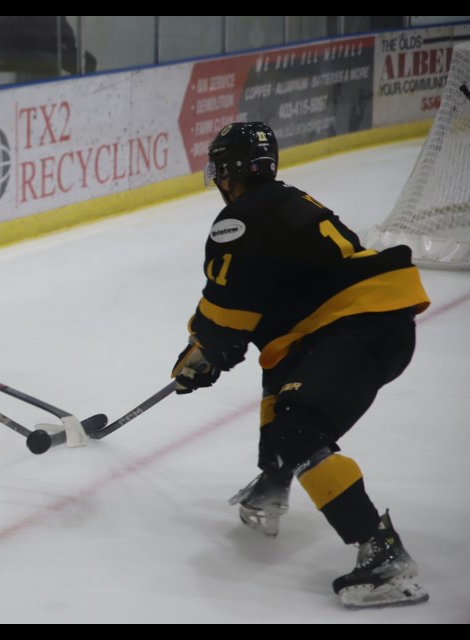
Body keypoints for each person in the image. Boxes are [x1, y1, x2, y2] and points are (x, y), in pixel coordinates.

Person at [170, 122, 431, 609]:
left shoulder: (240, 218)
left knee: (300, 428)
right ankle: (274, 479)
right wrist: (214, 349)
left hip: (357, 327)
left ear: (228, 172)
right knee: (285, 387)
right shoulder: (286, 202)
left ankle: (383, 558)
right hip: (353, 326)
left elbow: (229, 316)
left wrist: (203, 350)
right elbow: (267, 320)